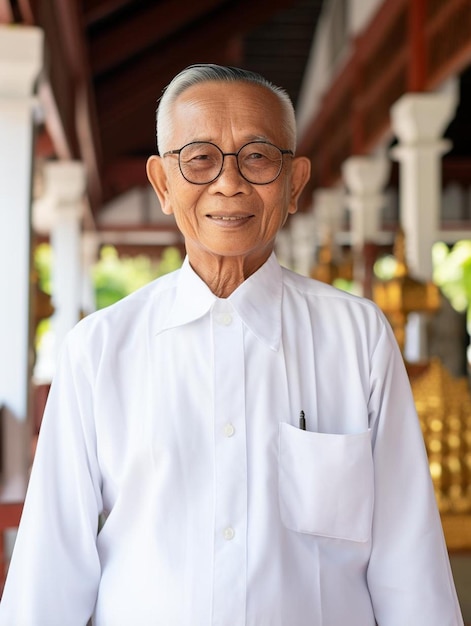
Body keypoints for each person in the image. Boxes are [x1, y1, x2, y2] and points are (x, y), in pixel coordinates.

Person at [0, 64, 463, 626]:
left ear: (294, 184)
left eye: (259, 157)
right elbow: (51, 571)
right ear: (162, 184)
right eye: (199, 158)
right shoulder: (99, 350)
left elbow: (407, 561)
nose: (229, 182)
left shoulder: (356, 337)